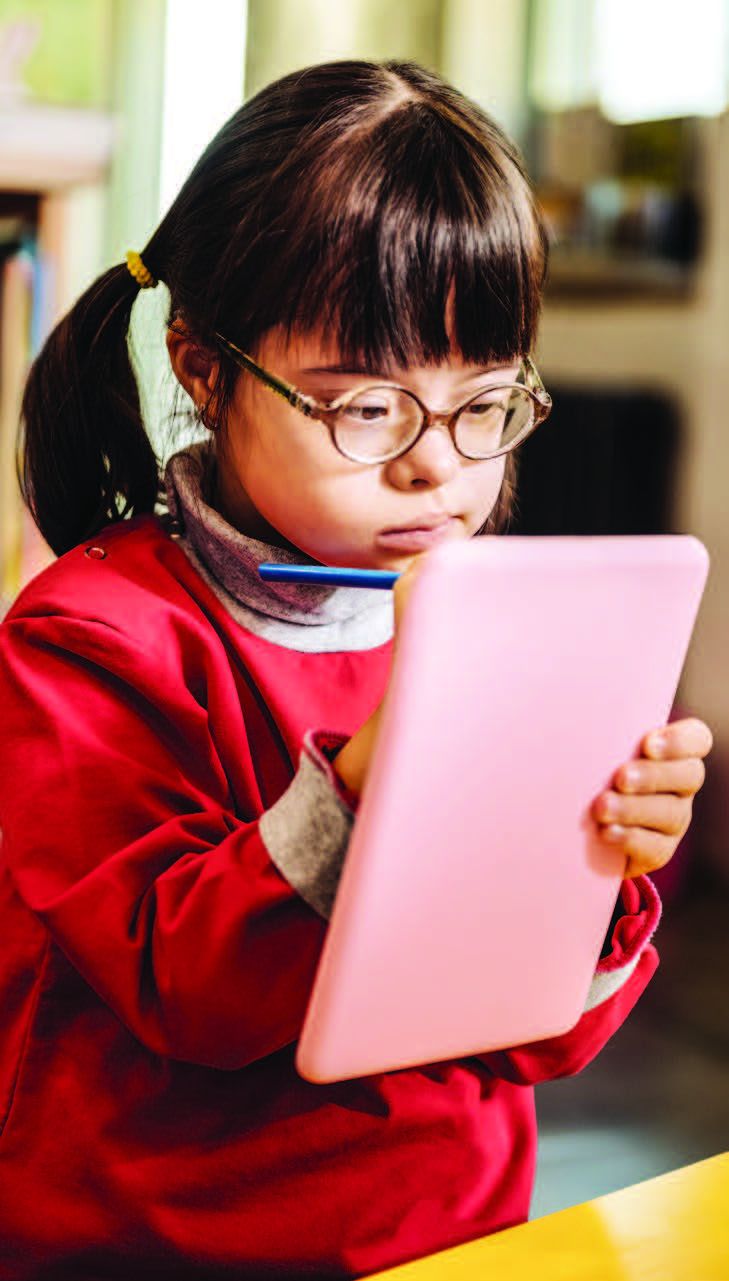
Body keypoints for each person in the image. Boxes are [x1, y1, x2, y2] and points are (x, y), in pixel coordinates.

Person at [0, 59, 712, 1280]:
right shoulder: (91, 640)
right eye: (367, 410)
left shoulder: (501, 621)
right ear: (202, 366)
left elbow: (537, 1032)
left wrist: (608, 866)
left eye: (484, 405)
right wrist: (364, 787)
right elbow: (188, 989)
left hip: (450, 1227)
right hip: (161, 1242)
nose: (437, 466)